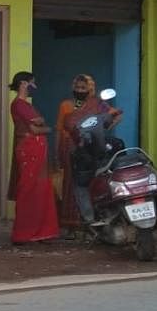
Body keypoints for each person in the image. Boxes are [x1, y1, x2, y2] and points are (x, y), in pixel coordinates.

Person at [55, 74, 122, 232]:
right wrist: (56, 153)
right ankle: (71, 226)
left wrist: (104, 128)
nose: (79, 90)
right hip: (69, 148)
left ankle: (90, 223)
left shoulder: (97, 104)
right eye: (77, 87)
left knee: (90, 182)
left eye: (83, 88)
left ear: (90, 89)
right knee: (70, 184)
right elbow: (59, 129)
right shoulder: (66, 105)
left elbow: (116, 115)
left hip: (90, 147)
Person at [8, 71, 59, 244]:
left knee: (41, 188)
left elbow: (38, 124)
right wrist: (47, 128)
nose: (34, 87)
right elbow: (37, 126)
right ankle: (24, 232)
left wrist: (41, 124)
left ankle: (41, 231)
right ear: (23, 84)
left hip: (35, 149)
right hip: (29, 150)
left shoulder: (25, 105)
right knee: (28, 189)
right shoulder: (19, 104)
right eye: (32, 83)